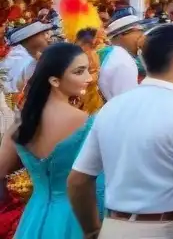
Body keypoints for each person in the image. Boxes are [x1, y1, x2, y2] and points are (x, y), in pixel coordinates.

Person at [68, 22, 173, 239]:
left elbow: (78, 180)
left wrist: (92, 230)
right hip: (165, 230)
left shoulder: (112, 108)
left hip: (113, 228)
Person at [0, 43, 99, 238]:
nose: (89, 78)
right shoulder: (85, 122)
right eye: (79, 72)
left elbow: (2, 169)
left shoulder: (23, 121)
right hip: (77, 218)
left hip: (35, 217)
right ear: (55, 80)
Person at [98, 8, 146, 101]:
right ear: (121, 35)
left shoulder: (110, 53)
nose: (142, 36)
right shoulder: (121, 59)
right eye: (138, 31)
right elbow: (128, 103)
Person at [1, 21, 54, 99]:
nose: (49, 37)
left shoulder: (28, 58)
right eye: (44, 33)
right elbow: (8, 93)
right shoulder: (18, 59)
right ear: (29, 37)